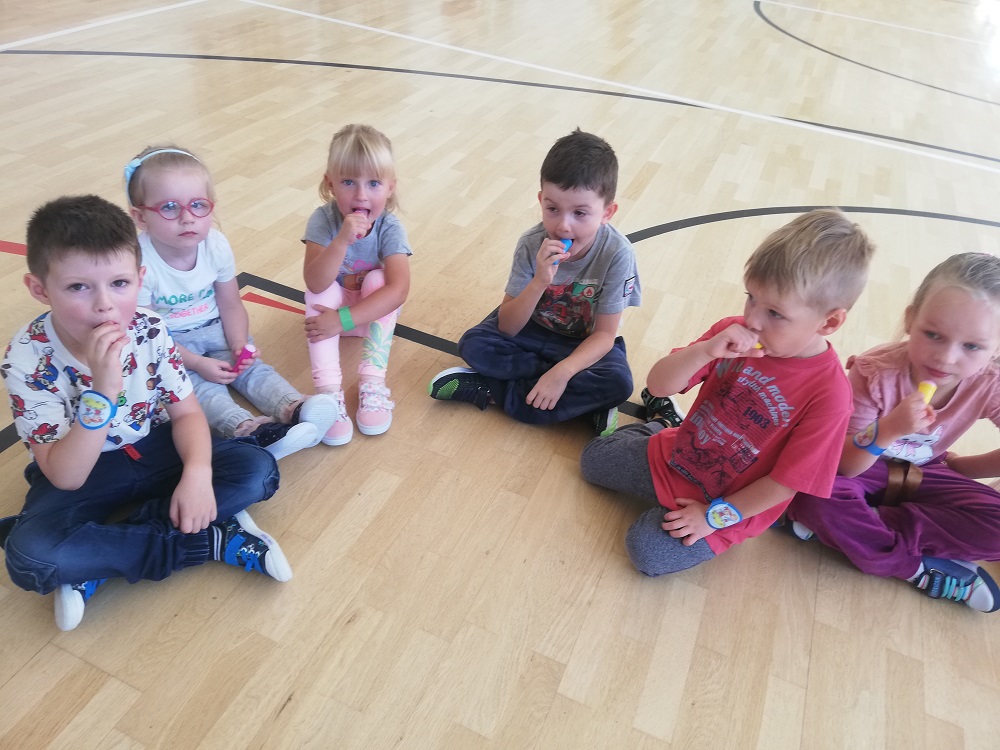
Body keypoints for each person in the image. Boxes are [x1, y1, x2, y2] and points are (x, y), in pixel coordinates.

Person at [0, 195, 292, 631]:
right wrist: (103, 392)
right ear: (40, 289)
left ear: (140, 279)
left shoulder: (150, 328)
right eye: (78, 287)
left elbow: (187, 414)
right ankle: (209, 539)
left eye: (119, 283)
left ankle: (103, 556)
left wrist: (196, 475)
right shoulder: (26, 358)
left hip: (154, 448)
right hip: (83, 466)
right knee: (31, 555)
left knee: (257, 469)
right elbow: (67, 477)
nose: (104, 304)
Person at [580, 209, 875, 576]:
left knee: (647, 553)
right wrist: (705, 351)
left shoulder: (830, 397)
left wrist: (711, 518)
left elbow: (783, 486)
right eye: (751, 297)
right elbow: (658, 385)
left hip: (730, 504)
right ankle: (658, 431)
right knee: (593, 461)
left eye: (775, 313)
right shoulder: (731, 331)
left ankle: (675, 483)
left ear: (829, 322)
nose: (753, 319)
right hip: (677, 458)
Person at [788, 253, 1000, 613]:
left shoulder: (990, 382)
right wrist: (889, 429)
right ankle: (915, 569)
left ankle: (852, 530)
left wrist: (964, 469)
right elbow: (843, 465)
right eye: (933, 335)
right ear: (910, 319)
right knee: (814, 492)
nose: (946, 358)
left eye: (972, 346)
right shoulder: (875, 373)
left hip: (927, 470)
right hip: (859, 467)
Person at [125, 145, 338, 460]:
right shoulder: (139, 262)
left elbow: (230, 302)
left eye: (199, 205)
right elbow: (149, 334)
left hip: (216, 328)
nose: (187, 218)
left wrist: (239, 344)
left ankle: (294, 407)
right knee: (195, 388)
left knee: (252, 371)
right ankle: (248, 431)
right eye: (169, 207)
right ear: (140, 217)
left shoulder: (215, 245)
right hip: (169, 342)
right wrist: (196, 363)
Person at [428, 128, 644, 435]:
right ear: (541, 200)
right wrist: (540, 281)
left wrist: (564, 371)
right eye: (552, 209)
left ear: (607, 212)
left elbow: (605, 335)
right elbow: (507, 326)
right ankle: (581, 404)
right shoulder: (531, 244)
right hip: (530, 330)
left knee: (618, 382)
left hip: (581, 342)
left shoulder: (617, 254)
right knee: (474, 344)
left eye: (580, 213)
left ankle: (491, 390)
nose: (563, 226)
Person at [301, 124, 412, 445]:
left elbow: (399, 290)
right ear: (330, 184)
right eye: (349, 182)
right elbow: (314, 281)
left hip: (361, 318)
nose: (361, 195)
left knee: (380, 279)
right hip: (330, 319)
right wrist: (341, 241)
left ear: (390, 187)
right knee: (321, 289)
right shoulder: (323, 220)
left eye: (373, 183)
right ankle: (328, 393)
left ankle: (372, 381)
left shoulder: (390, 227)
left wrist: (343, 320)